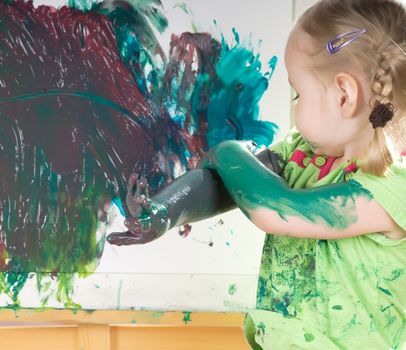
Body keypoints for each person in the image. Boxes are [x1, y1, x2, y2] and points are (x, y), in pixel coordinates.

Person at [108, 0, 406, 348]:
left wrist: (227, 150)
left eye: (299, 93)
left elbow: (276, 208)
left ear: (344, 95)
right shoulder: (301, 155)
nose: (295, 103)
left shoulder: (387, 192)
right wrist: (164, 210)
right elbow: (226, 184)